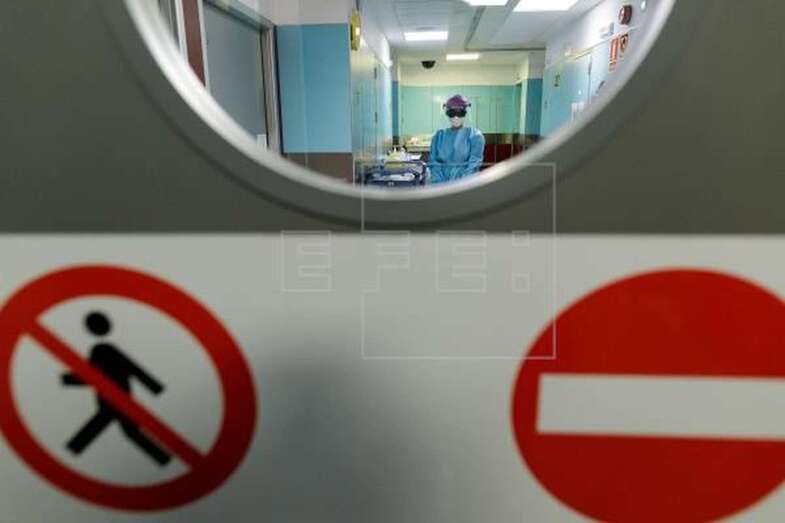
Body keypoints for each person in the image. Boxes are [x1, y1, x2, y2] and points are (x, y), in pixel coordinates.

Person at [429, 95, 485, 184]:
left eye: (460, 113)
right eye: (452, 113)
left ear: (466, 113)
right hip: (440, 186)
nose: (456, 117)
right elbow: (434, 163)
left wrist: (460, 186)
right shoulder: (439, 136)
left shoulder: (475, 136)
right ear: (447, 113)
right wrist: (440, 184)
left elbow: (473, 165)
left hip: (466, 187)